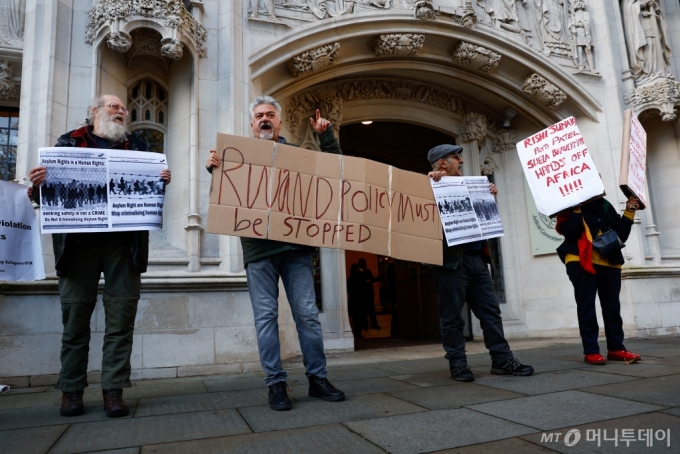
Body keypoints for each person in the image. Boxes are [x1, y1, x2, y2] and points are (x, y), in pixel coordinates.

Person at [27, 95, 172, 418]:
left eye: (123, 109)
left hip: (124, 246)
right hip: (78, 247)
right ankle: (72, 391)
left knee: (121, 319)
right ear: (94, 111)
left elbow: (148, 193)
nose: (121, 112)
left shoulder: (137, 148)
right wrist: (37, 186)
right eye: (113, 107)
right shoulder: (67, 144)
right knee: (75, 320)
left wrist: (160, 181)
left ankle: (113, 390)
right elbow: (46, 196)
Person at [206, 96, 345, 411]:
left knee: (308, 316)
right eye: (258, 116)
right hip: (259, 252)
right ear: (252, 124)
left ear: (280, 122)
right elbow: (223, 202)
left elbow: (337, 174)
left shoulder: (298, 155)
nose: (264, 119)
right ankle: (276, 385)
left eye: (270, 114)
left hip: (296, 249)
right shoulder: (235, 157)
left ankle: (317, 380)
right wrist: (214, 170)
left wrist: (326, 136)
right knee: (266, 318)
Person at [427, 144, 534, 382]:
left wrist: (488, 197)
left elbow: (482, 220)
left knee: (491, 313)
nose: (462, 161)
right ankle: (458, 364)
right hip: (451, 264)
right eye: (456, 157)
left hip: (477, 259)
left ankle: (502, 360)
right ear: (443, 163)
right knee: (452, 317)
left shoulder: (468, 185)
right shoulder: (430, 187)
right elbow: (421, 214)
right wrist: (431, 183)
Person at [555, 196, 641, 365]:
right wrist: (577, 209)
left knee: (612, 308)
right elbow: (571, 232)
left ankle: (616, 348)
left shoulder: (605, 204)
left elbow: (621, 236)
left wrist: (629, 212)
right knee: (586, 307)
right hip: (580, 260)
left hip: (610, 261)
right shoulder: (566, 205)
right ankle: (591, 351)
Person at [357, 258, 381, 330]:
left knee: (372, 310)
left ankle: (374, 324)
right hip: (362, 294)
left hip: (369, 293)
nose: (365, 264)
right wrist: (366, 281)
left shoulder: (367, 271)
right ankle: (365, 325)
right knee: (363, 310)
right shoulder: (357, 272)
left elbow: (372, 279)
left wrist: (377, 278)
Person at [347, 263, 365, 338]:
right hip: (358, 299)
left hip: (353, 299)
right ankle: (358, 332)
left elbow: (348, 290)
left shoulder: (350, 279)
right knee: (358, 317)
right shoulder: (359, 277)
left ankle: (356, 332)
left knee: (354, 317)